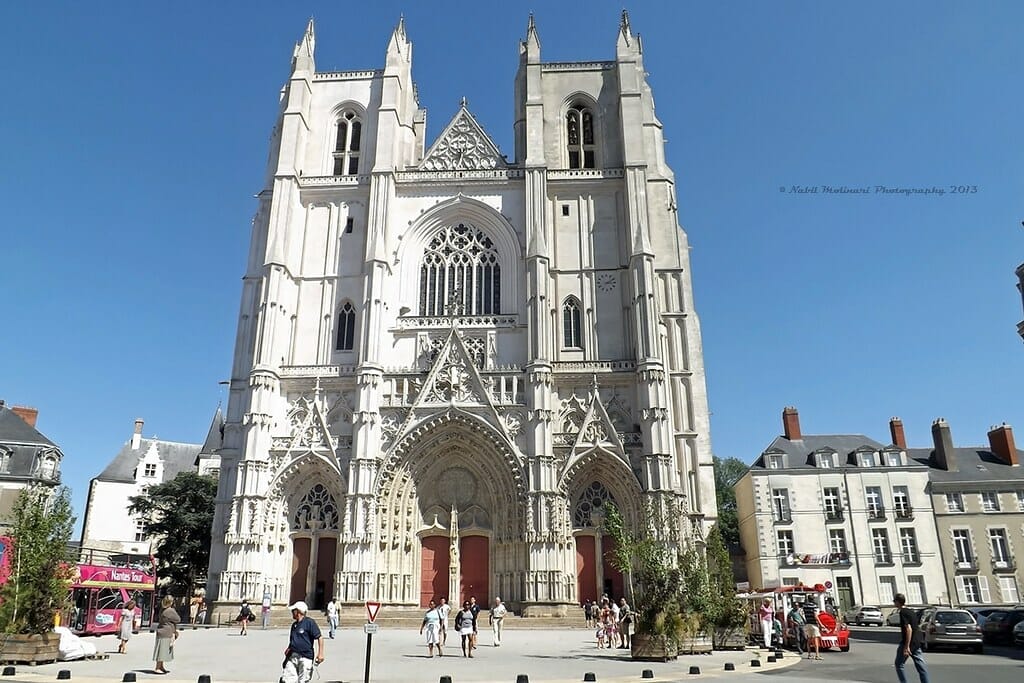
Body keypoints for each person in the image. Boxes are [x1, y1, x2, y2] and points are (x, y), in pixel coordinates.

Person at [282, 601, 324, 683]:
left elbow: (320, 637)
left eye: (293, 610)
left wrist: (320, 654)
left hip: (305, 657)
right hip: (292, 656)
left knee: (303, 680)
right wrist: (288, 650)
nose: (292, 612)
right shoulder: (294, 625)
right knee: (287, 679)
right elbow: (293, 640)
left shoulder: (309, 623)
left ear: (298, 612)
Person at [893, 593, 929, 683]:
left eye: (894, 601)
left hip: (908, 642)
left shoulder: (903, 612)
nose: (894, 603)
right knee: (921, 667)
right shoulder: (911, 611)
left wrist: (906, 646)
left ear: (898, 602)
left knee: (899, 664)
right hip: (916, 642)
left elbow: (909, 629)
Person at [152, 595, 180, 675]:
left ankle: (161, 666)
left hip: (161, 630)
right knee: (162, 650)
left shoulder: (162, 609)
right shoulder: (170, 610)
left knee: (162, 649)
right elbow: (178, 619)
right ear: (171, 602)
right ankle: (157, 667)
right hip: (167, 632)